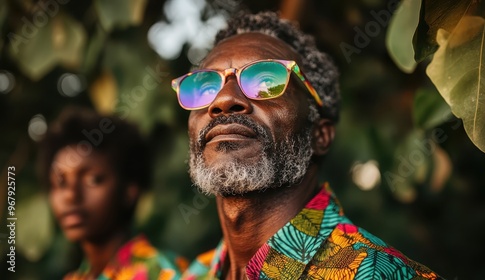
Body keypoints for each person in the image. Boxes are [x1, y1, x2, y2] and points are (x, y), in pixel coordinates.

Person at [171, 11, 443, 280]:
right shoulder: (191, 275)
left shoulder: (380, 274)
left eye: (266, 80)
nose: (223, 100)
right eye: (206, 87)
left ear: (319, 135)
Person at [38, 107, 184, 280]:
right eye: (60, 183)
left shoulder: (162, 272)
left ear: (130, 191)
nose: (70, 195)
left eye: (93, 180)